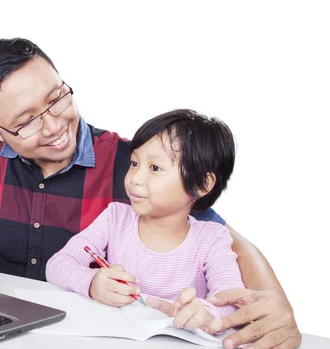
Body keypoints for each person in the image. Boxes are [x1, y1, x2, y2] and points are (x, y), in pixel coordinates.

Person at [0, 37, 301, 349]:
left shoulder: (135, 168)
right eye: (26, 121)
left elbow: (227, 242)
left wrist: (276, 308)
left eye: (57, 98)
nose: (52, 126)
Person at [46, 109, 244, 332]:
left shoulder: (211, 238)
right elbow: (57, 265)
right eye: (134, 164)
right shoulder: (115, 218)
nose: (135, 179)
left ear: (201, 185)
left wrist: (207, 312)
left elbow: (233, 301)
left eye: (155, 168)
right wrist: (91, 283)